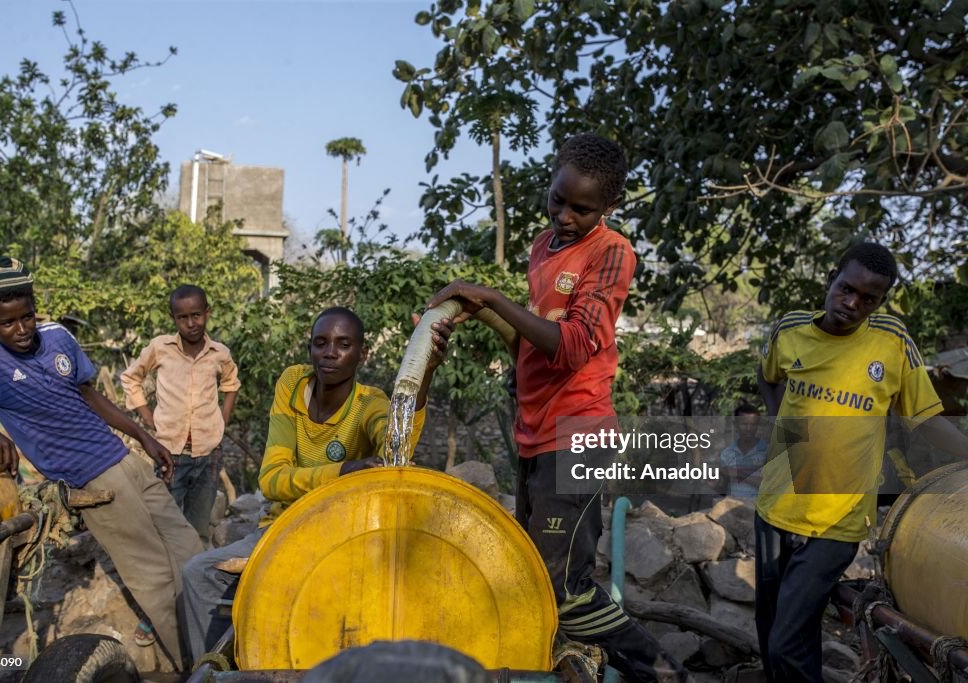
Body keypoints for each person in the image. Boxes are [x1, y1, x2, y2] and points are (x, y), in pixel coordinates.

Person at [425, 134, 687, 682]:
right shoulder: (543, 246)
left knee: (563, 590)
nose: (565, 216)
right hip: (535, 433)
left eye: (582, 208)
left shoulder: (612, 252)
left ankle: (664, 674)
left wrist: (494, 299)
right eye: (557, 200)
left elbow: (571, 344)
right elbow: (530, 343)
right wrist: (472, 314)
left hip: (579, 433)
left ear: (608, 207)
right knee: (532, 576)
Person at [0, 257, 203, 671]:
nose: (22, 329)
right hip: (96, 483)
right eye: (8, 323)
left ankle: (222, 653)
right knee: (154, 579)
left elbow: (90, 397)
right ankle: (194, 669)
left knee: (192, 557)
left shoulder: (58, 336)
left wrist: (144, 438)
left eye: (27, 316)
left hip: (128, 463)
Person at [180, 306, 451, 662]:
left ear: (362, 354)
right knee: (197, 573)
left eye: (343, 344)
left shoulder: (370, 403)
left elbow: (395, 448)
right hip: (283, 527)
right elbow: (272, 480)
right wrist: (344, 471)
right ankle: (217, 666)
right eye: (320, 343)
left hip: (343, 534)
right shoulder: (292, 384)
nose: (330, 353)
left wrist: (425, 373)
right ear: (310, 349)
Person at [755, 242, 968, 682]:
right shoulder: (790, 330)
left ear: (881, 302)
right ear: (831, 278)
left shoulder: (891, 343)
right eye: (845, 288)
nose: (851, 303)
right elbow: (767, 377)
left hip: (837, 521)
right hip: (773, 510)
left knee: (786, 643)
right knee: (771, 637)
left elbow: (924, 420)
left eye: (867, 298)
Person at [121, 284, 240, 546]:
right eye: (182, 317)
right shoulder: (160, 348)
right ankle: (167, 577)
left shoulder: (219, 353)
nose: (191, 323)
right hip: (169, 452)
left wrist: (224, 417)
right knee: (165, 520)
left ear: (207, 313)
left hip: (208, 452)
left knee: (198, 524)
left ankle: (191, 576)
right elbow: (131, 378)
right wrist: (146, 415)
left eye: (196, 315)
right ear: (173, 318)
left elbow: (231, 383)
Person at [718, 403, 768, 498]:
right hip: (731, 508)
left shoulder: (767, 452)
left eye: (753, 425)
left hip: (757, 510)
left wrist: (739, 474)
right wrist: (715, 485)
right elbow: (723, 490)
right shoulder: (727, 454)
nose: (749, 429)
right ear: (735, 424)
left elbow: (770, 488)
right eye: (744, 424)